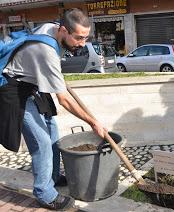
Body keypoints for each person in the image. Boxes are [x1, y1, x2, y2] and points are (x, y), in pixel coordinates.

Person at [0, 8, 107, 210]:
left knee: (52, 131)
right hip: (12, 88)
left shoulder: (51, 27)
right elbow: (64, 100)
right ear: (64, 30)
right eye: (79, 37)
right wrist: (93, 122)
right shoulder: (47, 51)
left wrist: (54, 75)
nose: (83, 43)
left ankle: (53, 177)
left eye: (86, 37)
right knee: (41, 142)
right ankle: (45, 193)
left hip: (30, 85)